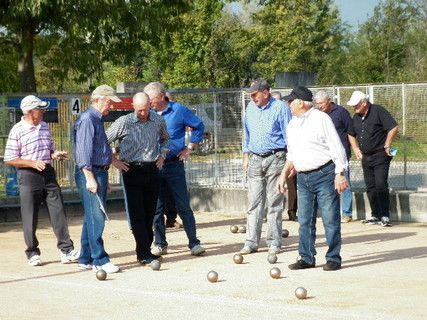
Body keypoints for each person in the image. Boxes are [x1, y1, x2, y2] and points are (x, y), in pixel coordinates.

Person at [278, 86, 349, 271]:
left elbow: (337, 147)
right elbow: (291, 154)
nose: (288, 104)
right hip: (303, 177)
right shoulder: (292, 124)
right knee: (305, 220)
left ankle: (333, 258)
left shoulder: (321, 119)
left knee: (330, 219)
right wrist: (282, 175)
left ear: (300, 102)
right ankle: (306, 257)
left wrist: (340, 174)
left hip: (324, 174)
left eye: (290, 101)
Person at [4, 95, 78, 266]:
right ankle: (32, 252)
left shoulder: (44, 126)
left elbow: (49, 150)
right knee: (30, 215)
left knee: (58, 210)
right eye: (40, 109)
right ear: (30, 112)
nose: (44, 111)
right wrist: (31, 162)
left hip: (47, 172)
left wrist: (54, 154)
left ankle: (66, 250)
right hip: (28, 175)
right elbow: (9, 158)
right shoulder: (17, 130)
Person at [106, 92, 169, 264]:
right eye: (139, 110)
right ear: (133, 106)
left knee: (151, 212)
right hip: (131, 169)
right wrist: (114, 161)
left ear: (150, 105)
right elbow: (103, 141)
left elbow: (165, 139)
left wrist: (162, 155)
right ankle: (143, 253)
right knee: (137, 213)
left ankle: (145, 250)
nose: (143, 113)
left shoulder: (158, 120)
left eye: (145, 109)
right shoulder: (123, 122)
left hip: (152, 169)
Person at [143, 82, 206, 256]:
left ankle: (194, 243)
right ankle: (160, 244)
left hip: (174, 164)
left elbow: (199, 125)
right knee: (157, 208)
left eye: (150, 99)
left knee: (183, 205)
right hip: (154, 166)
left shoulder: (179, 110)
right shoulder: (148, 113)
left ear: (160, 97)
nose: (149, 103)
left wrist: (190, 148)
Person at [73, 84, 121, 273]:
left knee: (91, 217)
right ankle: (100, 259)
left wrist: (103, 178)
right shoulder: (88, 119)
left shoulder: (97, 119)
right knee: (97, 217)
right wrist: (90, 178)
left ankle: (85, 258)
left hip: (99, 172)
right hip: (90, 172)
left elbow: (98, 150)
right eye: (110, 102)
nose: (112, 106)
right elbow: (83, 153)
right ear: (99, 99)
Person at [241, 79, 292, 255]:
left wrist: (290, 162)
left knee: (274, 202)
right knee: (253, 202)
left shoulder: (280, 108)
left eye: (255, 95)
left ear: (265, 92)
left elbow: (289, 136)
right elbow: (246, 134)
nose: (252, 98)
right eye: (251, 95)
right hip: (255, 159)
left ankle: (274, 242)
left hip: (275, 158)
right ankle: (251, 241)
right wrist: (246, 155)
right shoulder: (250, 108)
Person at [347, 91, 398, 227]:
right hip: (366, 157)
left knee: (381, 185)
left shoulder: (378, 111)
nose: (354, 108)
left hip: (380, 155)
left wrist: (388, 144)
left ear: (364, 103)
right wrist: (356, 149)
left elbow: (393, 127)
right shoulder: (356, 117)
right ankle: (375, 214)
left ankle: (385, 215)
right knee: (370, 187)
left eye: (356, 105)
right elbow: (351, 134)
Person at [314, 90, 353, 223]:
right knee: (326, 186)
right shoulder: (317, 115)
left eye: (322, 103)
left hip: (340, 154)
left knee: (344, 183)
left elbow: (351, 131)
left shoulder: (341, 112)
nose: (320, 106)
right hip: (324, 156)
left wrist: (353, 149)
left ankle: (347, 213)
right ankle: (328, 214)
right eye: (317, 103)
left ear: (329, 100)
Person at [271, 91, 298, 221]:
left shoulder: (291, 115)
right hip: (274, 154)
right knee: (275, 184)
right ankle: (273, 212)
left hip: (289, 153)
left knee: (291, 184)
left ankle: (292, 211)